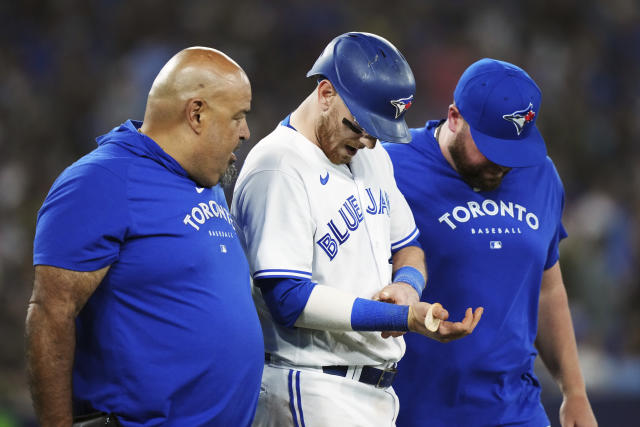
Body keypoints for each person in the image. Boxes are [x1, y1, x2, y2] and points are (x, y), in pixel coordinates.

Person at [231, 32, 483, 426]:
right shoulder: (278, 165)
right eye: (359, 126)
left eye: (376, 132)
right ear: (326, 92)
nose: (367, 141)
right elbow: (288, 299)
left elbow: (409, 245)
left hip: (372, 390)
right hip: (310, 385)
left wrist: (407, 288)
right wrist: (403, 319)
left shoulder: (372, 157)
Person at [26, 47, 264, 426]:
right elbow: (51, 314)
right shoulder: (101, 181)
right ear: (197, 114)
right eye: (238, 116)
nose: (245, 131)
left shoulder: (207, 181)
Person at [383, 58, 598, 427]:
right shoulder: (389, 166)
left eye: (514, 150)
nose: (503, 164)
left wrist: (574, 393)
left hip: (516, 407)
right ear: (454, 116)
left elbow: (548, 289)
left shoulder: (540, 175)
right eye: (491, 147)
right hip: (415, 408)